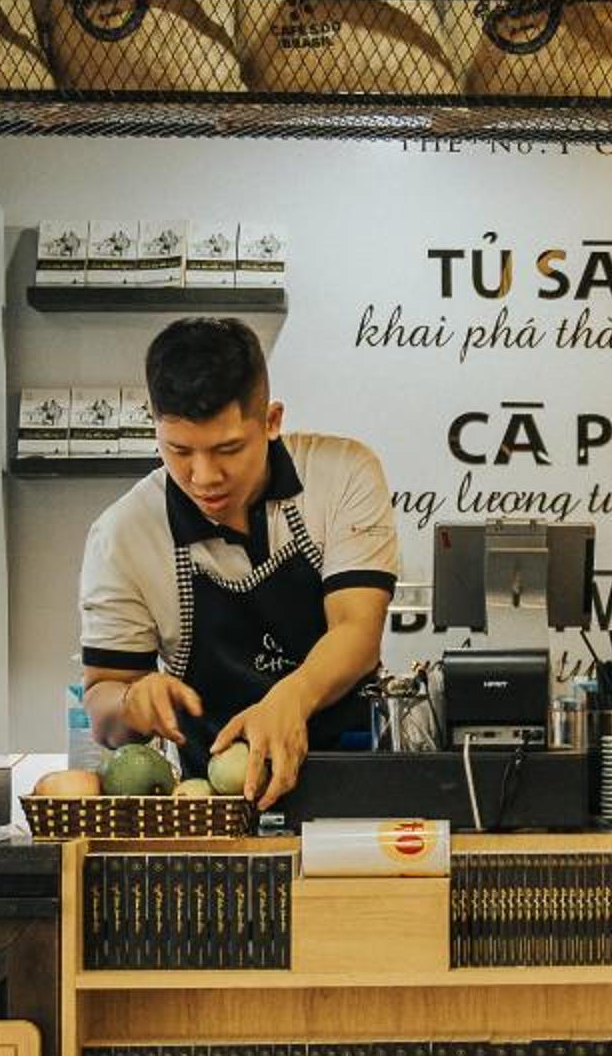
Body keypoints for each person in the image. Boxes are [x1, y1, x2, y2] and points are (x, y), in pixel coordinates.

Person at [78, 317, 397, 806]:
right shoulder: (123, 534)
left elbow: (358, 629)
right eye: (179, 451)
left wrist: (290, 698)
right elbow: (103, 705)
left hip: (354, 781)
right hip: (214, 803)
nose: (204, 476)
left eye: (228, 449)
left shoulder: (342, 474)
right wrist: (131, 704)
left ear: (271, 420)